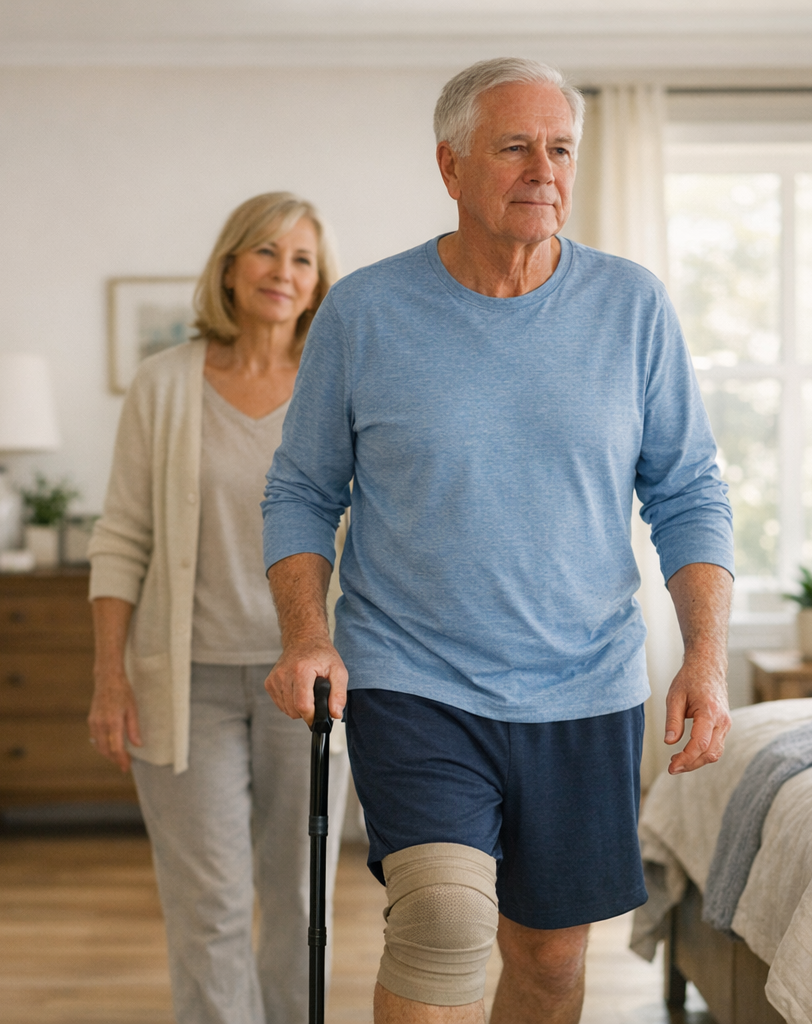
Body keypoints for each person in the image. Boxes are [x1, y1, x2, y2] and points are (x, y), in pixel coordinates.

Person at [260, 59, 734, 1024]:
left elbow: (687, 490)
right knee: (440, 921)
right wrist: (307, 633)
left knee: (551, 961)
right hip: (413, 677)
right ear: (451, 165)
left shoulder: (631, 306)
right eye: (514, 146)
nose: (543, 170)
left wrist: (707, 656)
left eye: (560, 149)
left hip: (585, 685)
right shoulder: (365, 312)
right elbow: (303, 490)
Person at [87, 191, 349, 1024]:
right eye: (265, 253)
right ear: (230, 268)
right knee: (209, 906)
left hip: (307, 686)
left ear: (318, 282)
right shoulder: (166, 384)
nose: (283, 272)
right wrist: (108, 678)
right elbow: (122, 536)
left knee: (300, 901)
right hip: (187, 681)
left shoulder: (340, 382)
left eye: (301, 258)